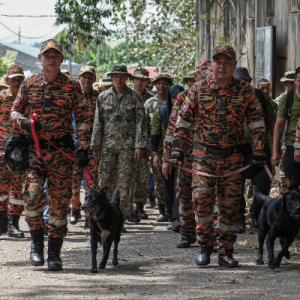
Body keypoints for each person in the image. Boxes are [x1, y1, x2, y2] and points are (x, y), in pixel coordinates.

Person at [169, 45, 265, 268]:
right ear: (211, 64)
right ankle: (204, 246)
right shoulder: (198, 90)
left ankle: (226, 251)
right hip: (204, 155)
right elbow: (182, 122)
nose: (222, 66)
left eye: (227, 62)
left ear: (234, 65)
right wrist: (177, 148)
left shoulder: (245, 91)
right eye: (218, 61)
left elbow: (257, 123)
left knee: (230, 205)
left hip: (233, 158)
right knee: (201, 200)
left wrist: (259, 150)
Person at [11, 39, 89, 271]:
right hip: (35, 154)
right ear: (40, 59)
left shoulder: (72, 86)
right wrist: (24, 123)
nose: (51, 59)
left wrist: (83, 147)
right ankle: (36, 246)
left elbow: (83, 117)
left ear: (62, 60)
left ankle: (54, 254)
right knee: (33, 197)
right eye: (47, 55)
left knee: (58, 204)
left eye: (56, 55)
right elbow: (15, 109)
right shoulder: (30, 83)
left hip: (62, 154)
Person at [163, 60, 212, 248]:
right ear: (195, 77)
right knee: (184, 193)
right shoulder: (183, 97)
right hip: (185, 154)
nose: (206, 79)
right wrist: (168, 158)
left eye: (209, 75)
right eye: (203, 75)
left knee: (207, 196)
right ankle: (186, 232)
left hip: (208, 155)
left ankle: (207, 234)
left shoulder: (215, 94)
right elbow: (172, 128)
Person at [91, 64, 148, 224]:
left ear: (126, 78)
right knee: (105, 182)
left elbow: (140, 124)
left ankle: (119, 219)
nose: (118, 79)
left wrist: (139, 145)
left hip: (127, 148)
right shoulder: (103, 97)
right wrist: (96, 146)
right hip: (107, 147)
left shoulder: (134, 97)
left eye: (121, 76)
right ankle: (103, 218)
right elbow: (98, 123)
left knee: (125, 185)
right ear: (112, 77)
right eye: (116, 76)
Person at [233, 67, 276, 232]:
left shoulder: (259, 95)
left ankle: (256, 213)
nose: (243, 84)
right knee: (235, 185)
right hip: (237, 147)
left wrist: (274, 147)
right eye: (240, 81)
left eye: (246, 81)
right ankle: (238, 220)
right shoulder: (229, 96)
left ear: (250, 82)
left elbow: (271, 120)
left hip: (259, 147)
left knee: (263, 183)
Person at [69, 66, 99, 225]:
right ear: (79, 78)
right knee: (74, 179)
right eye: (84, 77)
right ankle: (74, 209)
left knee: (92, 182)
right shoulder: (73, 97)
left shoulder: (99, 98)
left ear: (94, 79)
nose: (87, 80)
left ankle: (89, 213)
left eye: (90, 77)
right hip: (75, 146)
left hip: (92, 145)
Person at [152, 85, 184, 232]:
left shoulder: (187, 112)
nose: (177, 99)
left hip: (183, 156)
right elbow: (156, 135)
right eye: (174, 97)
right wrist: (156, 154)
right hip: (166, 155)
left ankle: (178, 218)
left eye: (180, 95)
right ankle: (171, 215)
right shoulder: (163, 112)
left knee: (180, 187)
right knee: (168, 188)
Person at [0, 64, 26, 238]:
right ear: (7, 80)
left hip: (20, 150)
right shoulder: (1, 97)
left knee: (18, 188)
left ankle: (13, 224)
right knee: (1, 187)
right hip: (1, 148)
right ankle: (2, 223)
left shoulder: (27, 99)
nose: (16, 82)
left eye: (19, 79)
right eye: (13, 79)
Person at [144, 73, 173, 221]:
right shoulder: (149, 103)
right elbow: (144, 127)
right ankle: (162, 209)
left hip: (172, 147)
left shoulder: (175, 102)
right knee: (159, 179)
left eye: (165, 83)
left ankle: (172, 210)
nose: (161, 86)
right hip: (155, 147)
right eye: (159, 83)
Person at [131, 67, 153, 219]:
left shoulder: (150, 100)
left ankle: (140, 205)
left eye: (143, 79)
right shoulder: (127, 97)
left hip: (146, 143)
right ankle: (127, 206)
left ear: (147, 81)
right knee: (126, 176)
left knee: (143, 176)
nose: (139, 82)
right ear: (133, 80)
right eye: (137, 79)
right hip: (126, 142)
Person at [273, 67, 300, 191]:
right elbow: (279, 125)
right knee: (292, 185)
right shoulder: (288, 98)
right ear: (295, 81)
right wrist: (276, 150)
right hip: (292, 145)